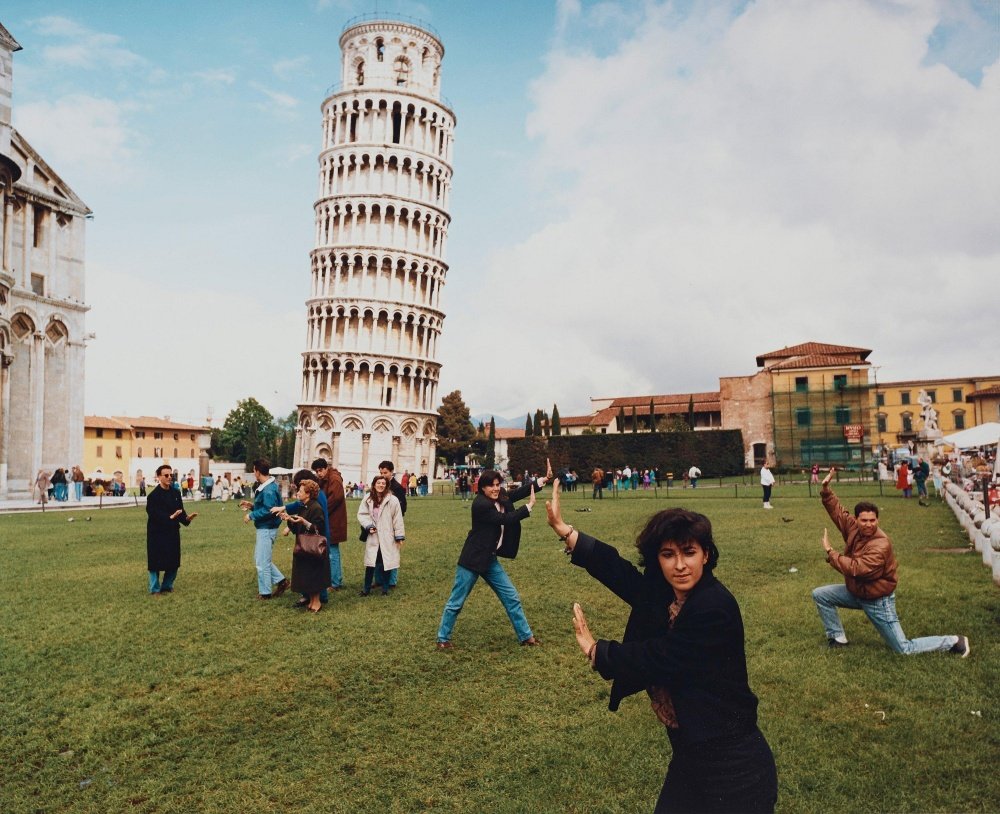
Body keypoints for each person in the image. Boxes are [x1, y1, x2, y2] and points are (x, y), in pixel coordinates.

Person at [544, 480, 777, 813]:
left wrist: (599, 652)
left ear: (706, 554)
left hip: (734, 767)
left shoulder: (713, 606)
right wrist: (566, 532)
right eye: (668, 554)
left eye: (689, 553)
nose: (679, 564)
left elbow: (662, 658)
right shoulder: (670, 595)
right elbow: (621, 573)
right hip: (691, 756)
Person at [812, 467, 970, 656]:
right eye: (864, 520)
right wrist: (826, 490)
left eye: (872, 520)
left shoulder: (881, 544)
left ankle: (954, 641)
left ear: (877, 520)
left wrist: (831, 552)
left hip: (877, 600)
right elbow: (838, 512)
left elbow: (858, 569)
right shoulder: (854, 528)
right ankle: (838, 638)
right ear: (857, 520)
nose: (868, 524)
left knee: (904, 649)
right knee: (821, 595)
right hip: (857, 592)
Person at [435, 463, 552, 650]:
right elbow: (505, 519)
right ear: (483, 487)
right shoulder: (480, 504)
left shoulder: (501, 495)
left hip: (489, 559)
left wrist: (541, 481)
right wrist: (527, 508)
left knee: (511, 596)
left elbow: (517, 493)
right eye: (492, 485)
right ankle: (442, 639)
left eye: (498, 484)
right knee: (456, 601)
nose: (496, 488)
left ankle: (526, 637)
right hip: (472, 560)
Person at [240, 459, 290, 601]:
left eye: (254, 470)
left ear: (257, 471)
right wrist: (252, 506)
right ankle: (282, 581)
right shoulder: (270, 486)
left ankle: (265, 593)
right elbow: (268, 508)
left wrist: (251, 515)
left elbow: (269, 510)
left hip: (266, 528)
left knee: (262, 562)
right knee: (261, 559)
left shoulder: (268, 489)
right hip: (267, 528)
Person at [145, 464, 198, 595]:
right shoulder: (153, 496)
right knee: (155, 563)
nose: (170, 477)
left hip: (172, 532)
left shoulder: (175, 493)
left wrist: (187, 518)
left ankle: (167, 585)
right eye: (166, 475)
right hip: (157, 533)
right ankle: (155, 589)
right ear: (159, 477)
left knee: (173, 561)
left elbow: (180, 511)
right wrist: (169, 517)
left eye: (171, 475)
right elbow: (153, 514)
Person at [279, 478, 328, 613]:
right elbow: (297, 528)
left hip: (313, 548)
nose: (298, 493)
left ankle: (316, 602)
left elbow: (319, 528)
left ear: (308, 493)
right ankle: (312, 601)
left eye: (300, 491)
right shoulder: (303, 506)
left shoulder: (316, 507)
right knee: (308, 574)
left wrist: (304, 522)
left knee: (314, 574)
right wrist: (289, 520)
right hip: (304, 547)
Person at [357, 475, 405, 596]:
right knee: (370, 563)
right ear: (374, 484)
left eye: (383, 483)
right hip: (373, 536)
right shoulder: (368, 498)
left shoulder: (392, 500)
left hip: (387, 535)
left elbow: (397, 518)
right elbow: (362, 514)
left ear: (386, 485)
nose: (381, 485)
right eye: (378, 483)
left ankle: (385, 588)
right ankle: (366, 588)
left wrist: (399, 536)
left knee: (386, 561)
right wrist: (368, 525)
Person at [312, 458, 347, 591]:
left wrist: (321, 511)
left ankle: (335, 582)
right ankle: (332, 580)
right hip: (329, 519)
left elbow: (335, 499)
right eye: (317, 471)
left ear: (326, 468)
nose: (319, 473)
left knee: (333, 552)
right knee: (330, 551)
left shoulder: (335, 479)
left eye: (320, 470)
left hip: (334, 521)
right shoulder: (325, 479)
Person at [378, 461, 407, 590]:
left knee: (392, 552)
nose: (383, 475)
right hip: (380, 524)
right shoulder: (379, 486)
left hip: (392, 524)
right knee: (378, 552)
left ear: (391, 472)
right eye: (381, 473)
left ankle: (392, 581)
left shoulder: (398, 488)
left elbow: (403, 507)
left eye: (385, 473)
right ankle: (378, 579)